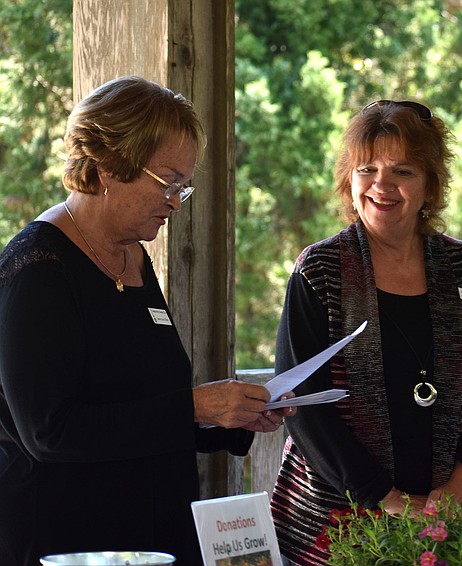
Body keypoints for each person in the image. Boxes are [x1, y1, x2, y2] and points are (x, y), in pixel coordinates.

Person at [0, 76, 292, 565]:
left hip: (152, 533)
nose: (175, 201)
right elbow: (49, 432)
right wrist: (194, 408)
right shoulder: (38, 270)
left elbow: (141, 403)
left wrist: (227, 417)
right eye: (168, 182)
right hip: (69, 541)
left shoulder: (131, 255)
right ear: (109, 166)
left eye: (183, 187)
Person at [269, 99, 462, 565]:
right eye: (367, 169)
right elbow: (301, 403)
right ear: (349, 179)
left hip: (450, 525)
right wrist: (386, 498)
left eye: (403, 171)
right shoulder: (319, 271)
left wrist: (460, 487)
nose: (382, 185)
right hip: (336, 525)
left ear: (430, 185)